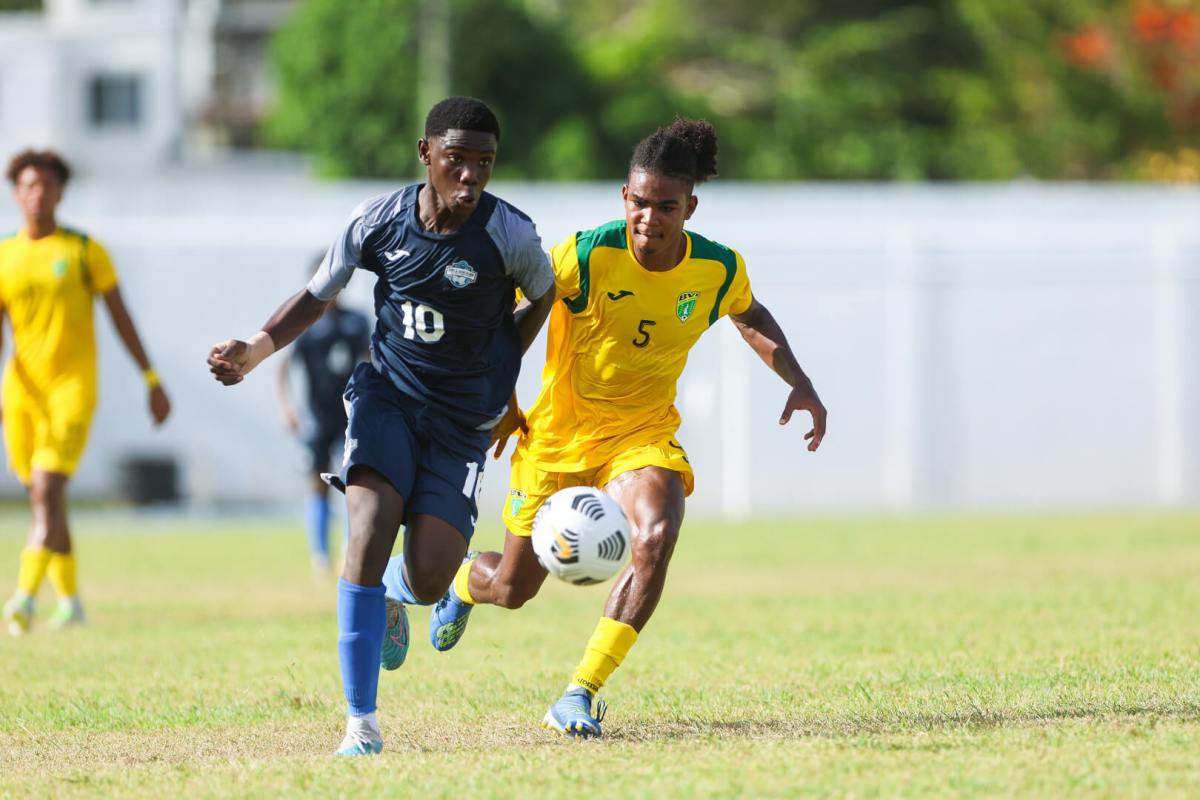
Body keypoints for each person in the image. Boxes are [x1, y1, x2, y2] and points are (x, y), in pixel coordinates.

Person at [389, 117, 827, 737]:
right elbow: (506, 324)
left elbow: (750, 314)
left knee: (656, 533)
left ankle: (578, 693)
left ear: (691, 207)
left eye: (666, 207)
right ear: (626, 197)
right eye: (640, 203)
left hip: (640, 434)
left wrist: (800, 383)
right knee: (513, 589)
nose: (649, 218)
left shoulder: (717, 269)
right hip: (558, 438)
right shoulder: (585, 254)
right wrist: (504, 401)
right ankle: (464, 581)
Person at [207, 97, 555, 756]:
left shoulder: (510, 235)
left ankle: (402, 593)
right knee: (365, 532)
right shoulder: (378, 222)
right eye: (457, 160)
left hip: (461, 423)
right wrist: (251, 352)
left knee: (428, 575)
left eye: (484, 163)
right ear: (426, 154)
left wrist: (503, 365)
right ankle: (360, 725)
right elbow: (316, 294)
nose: (471, 176)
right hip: (387, 397)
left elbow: (545, 291)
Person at [0, 149, 172, 636]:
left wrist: (152, 380)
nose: (39, 193)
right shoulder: (5, 255)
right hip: (22, 393)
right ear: (17, 193)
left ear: (60, 192)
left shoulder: (82, 250)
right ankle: (72, 602)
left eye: (48, 185)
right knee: (45, 499)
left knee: (48, 489)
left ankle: (24, 598)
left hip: (72, 389)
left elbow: (121, 318)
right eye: (30, 185)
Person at [275, 257, 371, 575]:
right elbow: (283, 367)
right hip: (316, 418)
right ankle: (320, 556)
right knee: (316, 484)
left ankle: (349, 550)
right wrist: (286, 407)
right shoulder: (305, 324)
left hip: (351, 418)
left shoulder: (356, 322)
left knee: (351, 485)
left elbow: (370, 361)